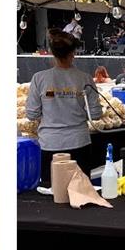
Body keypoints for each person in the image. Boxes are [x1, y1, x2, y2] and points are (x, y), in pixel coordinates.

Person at [23, 28, 108, 178]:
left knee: (53, 193)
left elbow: (31, 114)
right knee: (81, 193)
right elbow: (95, 114)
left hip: (50, 144)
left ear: (52, 52)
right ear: (73, 53)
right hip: (79, 142)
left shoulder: (39, 78)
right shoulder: (85, 79)